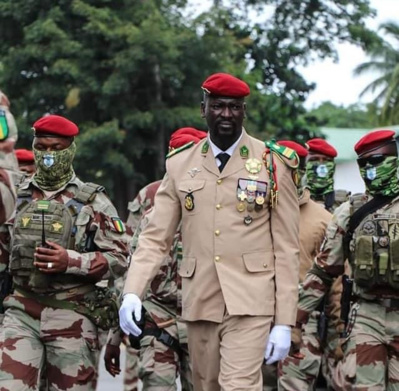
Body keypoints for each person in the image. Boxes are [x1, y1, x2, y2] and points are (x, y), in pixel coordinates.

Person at [119, 72, 300, 390]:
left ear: (244, 111)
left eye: (234, 107)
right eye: (218, 106)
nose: (226, 114)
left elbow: (286, 248)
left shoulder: (272, 164)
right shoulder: (180, 164)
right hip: (200, 298)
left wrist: (284, 322)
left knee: (239, 385)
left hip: (251, 300)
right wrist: (132, 291)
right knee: (206, 385)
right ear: (203, 109)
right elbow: (155, 237)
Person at [0, 114, 129, 390]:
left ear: (70, 149)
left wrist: (70, 261)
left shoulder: (94, 202)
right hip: (21, 311)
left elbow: (119, 259)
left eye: (56, 148)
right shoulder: (18, 196)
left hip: (72, 315)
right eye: (42, 147)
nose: (48, 155)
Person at [293, 129, 399, 389]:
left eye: (377, 161)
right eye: (364, 164)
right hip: (366, 314)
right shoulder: (349, 212)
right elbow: (323, 272)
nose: (370, 170)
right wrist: (295, 321)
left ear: (394, 160)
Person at [106, 127, 206, 391]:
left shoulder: (219, 198)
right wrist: (117, 334)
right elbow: (130, 262)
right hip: (158, 315)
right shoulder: (150, 197)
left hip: (203, 317)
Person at [260, 140, 331, 391]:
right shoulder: (255, 210)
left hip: (303, 322)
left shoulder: (324, 220)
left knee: (295, 386)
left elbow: (336, 280)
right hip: (257, 316)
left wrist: (338, 331)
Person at [305, 138, 350, 212]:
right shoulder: (294, 201)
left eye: (326, 160)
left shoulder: (345, 204)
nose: (321, 165)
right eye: (314, 159)